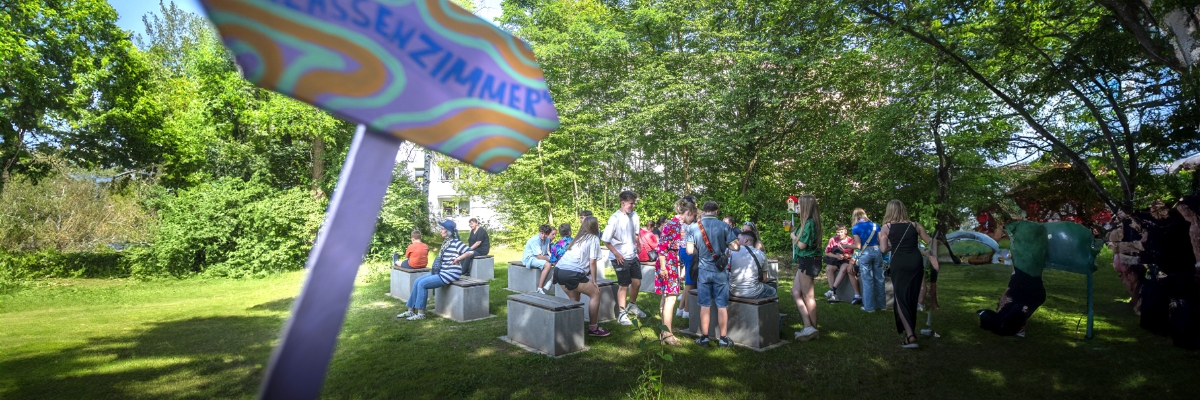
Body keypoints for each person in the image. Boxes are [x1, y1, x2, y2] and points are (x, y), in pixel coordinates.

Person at [879, 200, 938, 349]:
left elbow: (883, 249)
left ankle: (910, 335)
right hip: (915, 262)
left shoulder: (886, 227)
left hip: (899, 263)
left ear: (889, 211)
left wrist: (893, 243)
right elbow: (932, 242)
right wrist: (927, 254)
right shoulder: (915, 225)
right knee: (912, 295)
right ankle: (910, 330)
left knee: (900, 297)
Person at [979, 220, 1046, 337]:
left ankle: (1019, 327)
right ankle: (1019, 327)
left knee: (1019, 305)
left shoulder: (1015, 292)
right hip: (1029, 284)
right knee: (1020, 306)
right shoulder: (1016, 295)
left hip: (1028, 282)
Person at [687, 200, 740, 347]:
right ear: (716, 211)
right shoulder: (724, 226)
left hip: (703, 271)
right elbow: (735, 247)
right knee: (722, 305)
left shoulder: (693, 227)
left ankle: (704, 338)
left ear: (703, 211)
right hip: (720, 271)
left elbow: (689, 251)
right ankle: (723, 339)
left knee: (704, 305)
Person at [397, 220, 474, 320]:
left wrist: (458, 258)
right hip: (442, 271)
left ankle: (421, 314)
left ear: (448, 231)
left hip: (450, 273)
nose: (440, 230)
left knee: (422, 284)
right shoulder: (446, 242)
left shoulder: (455, 242)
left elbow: (470, 251)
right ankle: (410, 311)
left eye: (442, 229)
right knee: (417, 282)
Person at [553, 216, 612, 337]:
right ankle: (593, 328)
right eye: (598, 224)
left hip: (558, 271)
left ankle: (571, 327)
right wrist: (594, 281)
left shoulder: (578, 238)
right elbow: (592, 262)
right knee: (595, 293)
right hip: (571, 273)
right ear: (594, 226)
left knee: (574, 298)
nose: (599, 226)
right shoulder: (593, 238)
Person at [655, 198, 697, 346]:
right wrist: (663, 267)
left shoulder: (674, 224)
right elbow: (661, 247)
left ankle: (664, 332)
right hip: (668, 264)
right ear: (688, 213)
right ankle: (667, 335)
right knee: (671, 299)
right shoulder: (673, 225)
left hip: (669, 262)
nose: (693, 220)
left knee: (666, 298)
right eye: (692, 217)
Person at [603, 191, 645, 326]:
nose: (633, 206)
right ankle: (622, 313)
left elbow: (636, 233)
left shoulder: (635, 216)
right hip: (619, 257)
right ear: (623, 203)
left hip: (632, 255)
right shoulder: (614, 218)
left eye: (634, 203)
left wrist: (638, 244)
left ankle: (632, 305)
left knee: (637, 283)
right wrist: (616, 254)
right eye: (631, 203)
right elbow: (606, 240)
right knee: (624, 285)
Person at [789, 194, 823, 341]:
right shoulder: (806, 223)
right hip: (805, 260)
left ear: (806, 207)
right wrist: (792, 229)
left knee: (808, 296)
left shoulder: (809, 223)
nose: (797, 206)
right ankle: (808, 326)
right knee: (795, 292)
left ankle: (812, 329)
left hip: (809, 260)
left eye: (799, 205)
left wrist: (792, 236)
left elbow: (802, 244)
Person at [850, 208, 884, 312]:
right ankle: (882, 305)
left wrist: (847, 245)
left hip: (865, 254)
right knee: (879, 279)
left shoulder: (855, 228)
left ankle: (869, 307)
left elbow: (858, 245)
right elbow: (880, 240)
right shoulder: (875, 225)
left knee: (867, 281)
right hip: (877, 251)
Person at [730, 230, 773, 299]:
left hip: (733, 291)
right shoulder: (761, 254)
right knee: (772, 291)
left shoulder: (732, 252)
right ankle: (775, 309)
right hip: (754, 293)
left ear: (746, 239)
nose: (737, 242)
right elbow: (764, 279)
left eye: (738, 239)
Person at [823, 224, 860, 304]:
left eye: (841, 232)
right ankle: (833, 295)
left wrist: (848, 256)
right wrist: (836, 256)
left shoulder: (851, 240)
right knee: (829, 268)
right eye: (838, 232)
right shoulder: (833, 239)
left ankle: (832, 290)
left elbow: (856, 253)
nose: (839, 234)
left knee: (844, 268)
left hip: (847, 260)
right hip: (836, 260)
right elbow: (827, 253)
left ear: (845, 231)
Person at [677, 196, 698, 319]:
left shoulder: (680, 220)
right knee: (690, 282)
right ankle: (687, 310)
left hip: (683, 250)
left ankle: (681, 309)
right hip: (689, 251)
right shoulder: (688, 222)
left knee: (689, 282)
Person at [537, 223, 574, 294]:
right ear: (569, 232)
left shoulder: (556, 245)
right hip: (574, 269)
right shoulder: (576, 242)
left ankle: (550, 281)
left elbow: (553, 261)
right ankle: (550, 281)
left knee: (559, 265)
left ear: (560, 233)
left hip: (560, 270)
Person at [523, 224, 553, 292]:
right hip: (530, 258)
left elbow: (545, 253)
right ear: (539, 232)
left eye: (545, 234)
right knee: (548, 265)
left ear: (548, 234)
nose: (543, 236)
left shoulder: (548, 239)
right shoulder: (535, 240)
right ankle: (539, 288)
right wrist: (550, 260)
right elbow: (539, 256)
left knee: (557, 261)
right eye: (542, 233)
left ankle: (550, 282)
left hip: (539, 256)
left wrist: (553, 259)